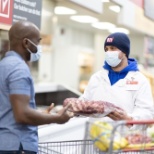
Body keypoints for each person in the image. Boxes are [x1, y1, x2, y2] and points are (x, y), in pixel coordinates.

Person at [0, 21, 74, 154]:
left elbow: (8, 109)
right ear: (26, 43)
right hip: (18, 145)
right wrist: (57, 118)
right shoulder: (19, 68)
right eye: (38, 42)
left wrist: (39, 115)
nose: (39, 47)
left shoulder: (3, 65)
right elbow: (22, 115)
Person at [80, 32, 154, 121]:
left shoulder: (140, 80)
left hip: (124, 133)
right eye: (106, 49)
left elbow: (147, 112)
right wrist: (72, 111)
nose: (108, 52)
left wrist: (129, 118)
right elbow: (83, 104)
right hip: (96, 133)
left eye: (112, 48)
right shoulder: (97, 77)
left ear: (124, 52)